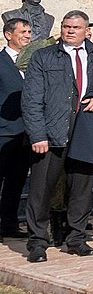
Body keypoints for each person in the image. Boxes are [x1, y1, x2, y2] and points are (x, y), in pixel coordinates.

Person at [22, 11, 93, 262]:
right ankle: (38, 241)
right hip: (51, 133)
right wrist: (38, 134)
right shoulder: (43, 56)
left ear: (86, 30)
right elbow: (31, 100)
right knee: (41, 190)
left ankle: (76, 238)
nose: (70, 31)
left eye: (75, 27)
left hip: (85, 130)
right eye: (66, 26)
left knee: (81, 189)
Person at [0, 18, 31, 241]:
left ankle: (9, 224)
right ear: (8, 35)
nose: (28, 35)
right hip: (3, 131)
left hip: (26, 133)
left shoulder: (33, 62)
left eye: (29, 31)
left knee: (16, 180)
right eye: (23, 31)